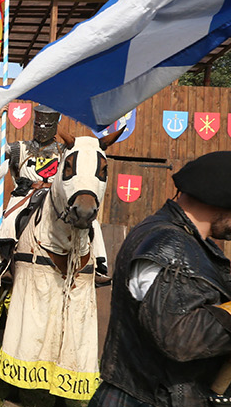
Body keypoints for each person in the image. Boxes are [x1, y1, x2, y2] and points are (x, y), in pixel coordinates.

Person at [95, 153, 231, 407]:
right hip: (145, 399)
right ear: (221, 201)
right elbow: (178, 336)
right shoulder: (171, 243)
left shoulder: (187, 242)